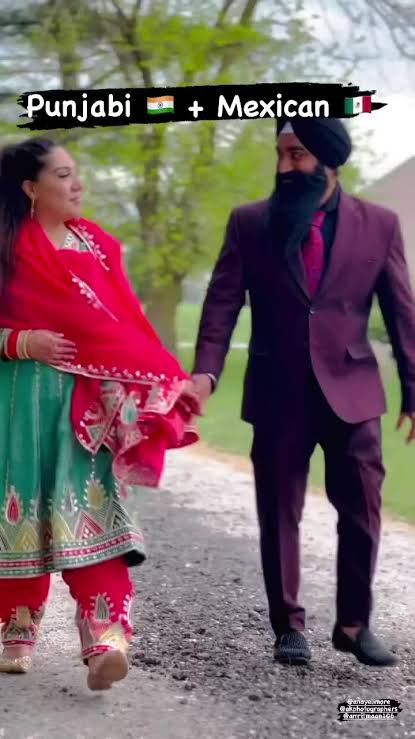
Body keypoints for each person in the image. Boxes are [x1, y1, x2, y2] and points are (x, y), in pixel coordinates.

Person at [191, 117, 415, 667]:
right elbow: (222, 302)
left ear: (329, 161)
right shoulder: (249, 222)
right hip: (277, 391)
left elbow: (402, 313)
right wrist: (205, 373)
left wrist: (413, 391)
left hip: (354, 394)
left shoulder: (380, 224)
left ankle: (354, 625)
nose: (285, 166)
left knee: (362, 512)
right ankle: (288, 626)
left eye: (297, 155)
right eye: (281, 154)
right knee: (278, 512)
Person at [0, 136, 200, 689]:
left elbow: (123, 324)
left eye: (76, 173)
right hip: (14, 402)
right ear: (30, 188)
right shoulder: (5, 246)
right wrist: (21, 341)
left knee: (89, 506)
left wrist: (155, 375)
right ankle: (17, 624)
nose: (77, 184)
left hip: (87, 406)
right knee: (17, 507)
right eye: (63, 175)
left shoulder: (97, 247)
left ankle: (105, 634)